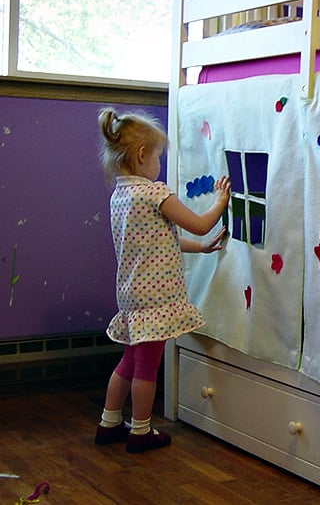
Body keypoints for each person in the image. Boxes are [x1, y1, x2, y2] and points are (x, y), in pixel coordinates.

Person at [94, 108, 230, 453]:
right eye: (158, 157)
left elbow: (157, 240)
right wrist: (220, 202)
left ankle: (109, 422)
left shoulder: (120, 196)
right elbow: (199, 223)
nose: (159, 165)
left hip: (131, 297)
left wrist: (199, 249)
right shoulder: (155, 193)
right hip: (156, 300)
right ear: (142, 156)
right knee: (147, 366)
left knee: (128, 361)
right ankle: (141, 431)